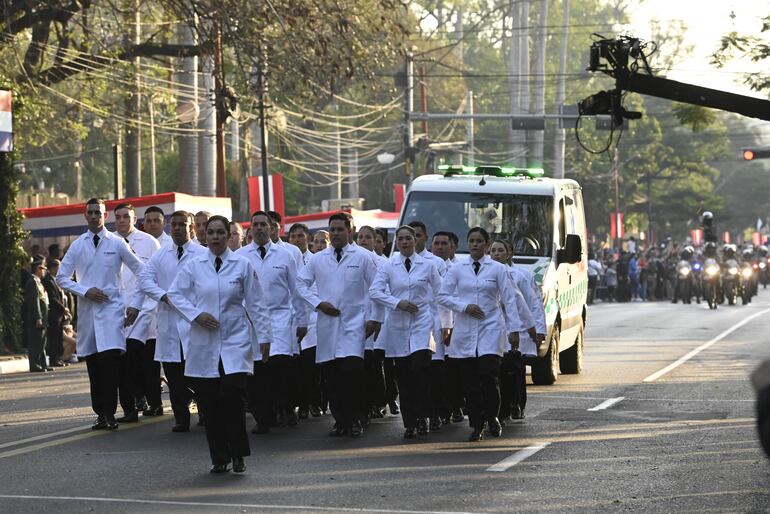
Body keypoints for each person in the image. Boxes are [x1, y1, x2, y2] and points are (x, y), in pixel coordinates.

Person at [168, 215, 272, 474]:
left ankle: (238, 454)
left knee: (232, 398)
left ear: (229, 236)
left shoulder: (242, 264)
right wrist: (196, 315)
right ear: (205, 235)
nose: (215, 237)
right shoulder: (194, 265)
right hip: (204, 343)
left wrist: (266, 338)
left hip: (235, 341)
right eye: (210, 232)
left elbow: (257, 303)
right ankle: (219, 457)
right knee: (210, 404)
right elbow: (174, 294)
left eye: (220, 233)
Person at [57, 198, 145, 431]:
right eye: (91, 212)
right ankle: (100, 414)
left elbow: (142, 272)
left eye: (99, 212)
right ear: (85, 216)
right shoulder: (78, 245)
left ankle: (110, 413)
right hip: (88, 317)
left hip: (112, 314)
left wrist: (135, 305)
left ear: (105, 216)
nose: (95, 216)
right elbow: (61, 277)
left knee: (110, 368)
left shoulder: (116, 243)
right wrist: (85, 290)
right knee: (94, 369)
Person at [437, 227, 532, 442]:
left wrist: (514, 330)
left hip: (491, 327)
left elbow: (509, 300)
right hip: (465, 328)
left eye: (479, 241)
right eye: (471, 241)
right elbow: (442, 296)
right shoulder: (458, 269)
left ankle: (493, 417)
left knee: (488, 376)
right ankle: (477, 424)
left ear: (487, 245)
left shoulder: (498, 269)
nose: (475, 244)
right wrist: (463, 306)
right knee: (470, 382)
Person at [296, 213, 383, 437]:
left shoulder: (363, 257)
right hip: (327, 325)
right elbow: (300, 284)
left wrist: (376, 318)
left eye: (339, 229)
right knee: (332, 377)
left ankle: (354, 418)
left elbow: (378, 288)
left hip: (355, 325)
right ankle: (340, 420)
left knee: (351, 373)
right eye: (332, 229)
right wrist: (318, 304)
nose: (335, 233)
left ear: (349, 231)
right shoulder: (318, 259)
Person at [370, 225, 449, 438]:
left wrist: (446, 324)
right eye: (401, 239)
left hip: (422, 324)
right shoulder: (389, 266)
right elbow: (375, 291)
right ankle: (410, 423)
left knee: (420, 371)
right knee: (403, 378)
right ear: (397, 242)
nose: (405, 242)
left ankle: (424, 416)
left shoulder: (428, 265)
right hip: (397, 326)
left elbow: (443, 294)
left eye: (408, 238)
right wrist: (397, 303)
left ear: (415, 240)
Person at [237, 211, 308, 432]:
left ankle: (285, 407)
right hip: (252, 321)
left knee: (280, 368)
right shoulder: (240, 256)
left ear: (271, 228)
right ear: (250, 229)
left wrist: (302, 321)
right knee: (258, 372)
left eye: (263, 225)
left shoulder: (285, 255)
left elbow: (296, 291)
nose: (259, 228)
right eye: (255, 225)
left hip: (280, 318)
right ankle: (264, 417)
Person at [139, 210, 208, 433]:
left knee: (198, 374)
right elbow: (144, 279)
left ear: (191, 228)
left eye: (182, 224)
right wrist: (163, 295)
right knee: (174, 375)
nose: (177, 228)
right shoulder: (161, 254)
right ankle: (181, 418)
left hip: (194, 322)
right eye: (174, 224)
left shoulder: (202, 253)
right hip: (169, 322)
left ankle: (206, 413)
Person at [113, 203, 162, 421]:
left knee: (145, 362)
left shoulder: (149, 242)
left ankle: (153, 401)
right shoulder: (110, 241)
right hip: (117, 312)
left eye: (127, 216)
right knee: (122, 365)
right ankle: (129, 408)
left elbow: (154, 278)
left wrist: (145, 309)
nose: (123, 220)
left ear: (134, 219)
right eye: (119, 217)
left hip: (144, 312)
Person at [490, 240, 544, 421]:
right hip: (493, 329)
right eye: (493, 251)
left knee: (515, 371)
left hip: (518, 329)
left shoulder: (520, 275)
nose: (496, 254)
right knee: (498, 371)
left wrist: (537, 329)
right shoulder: (486, 273)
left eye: (500, 250)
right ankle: (501, 408)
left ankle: (517, 403)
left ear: (509, 253)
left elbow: (531, 303)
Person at [24, 257, 51, 372]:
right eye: (42, 269)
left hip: (43, 317)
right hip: (36, 318)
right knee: (36, 342)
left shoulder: (38, 282)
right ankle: (34, 364)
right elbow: (34, 302)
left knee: (42, 342)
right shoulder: (32, 282)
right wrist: (38, 318)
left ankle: (43, 364)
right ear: (37, 269)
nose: (44, 271)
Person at [42, 259, 68, 367]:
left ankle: (58, 358)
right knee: (53, 338)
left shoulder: (56, 280)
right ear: (52, 268)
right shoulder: (48, 280)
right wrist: (63, 309)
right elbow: (53, 299)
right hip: (54, 314)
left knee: (58, 337)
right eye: (57, 268)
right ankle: (54, 359)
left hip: (59, 315)